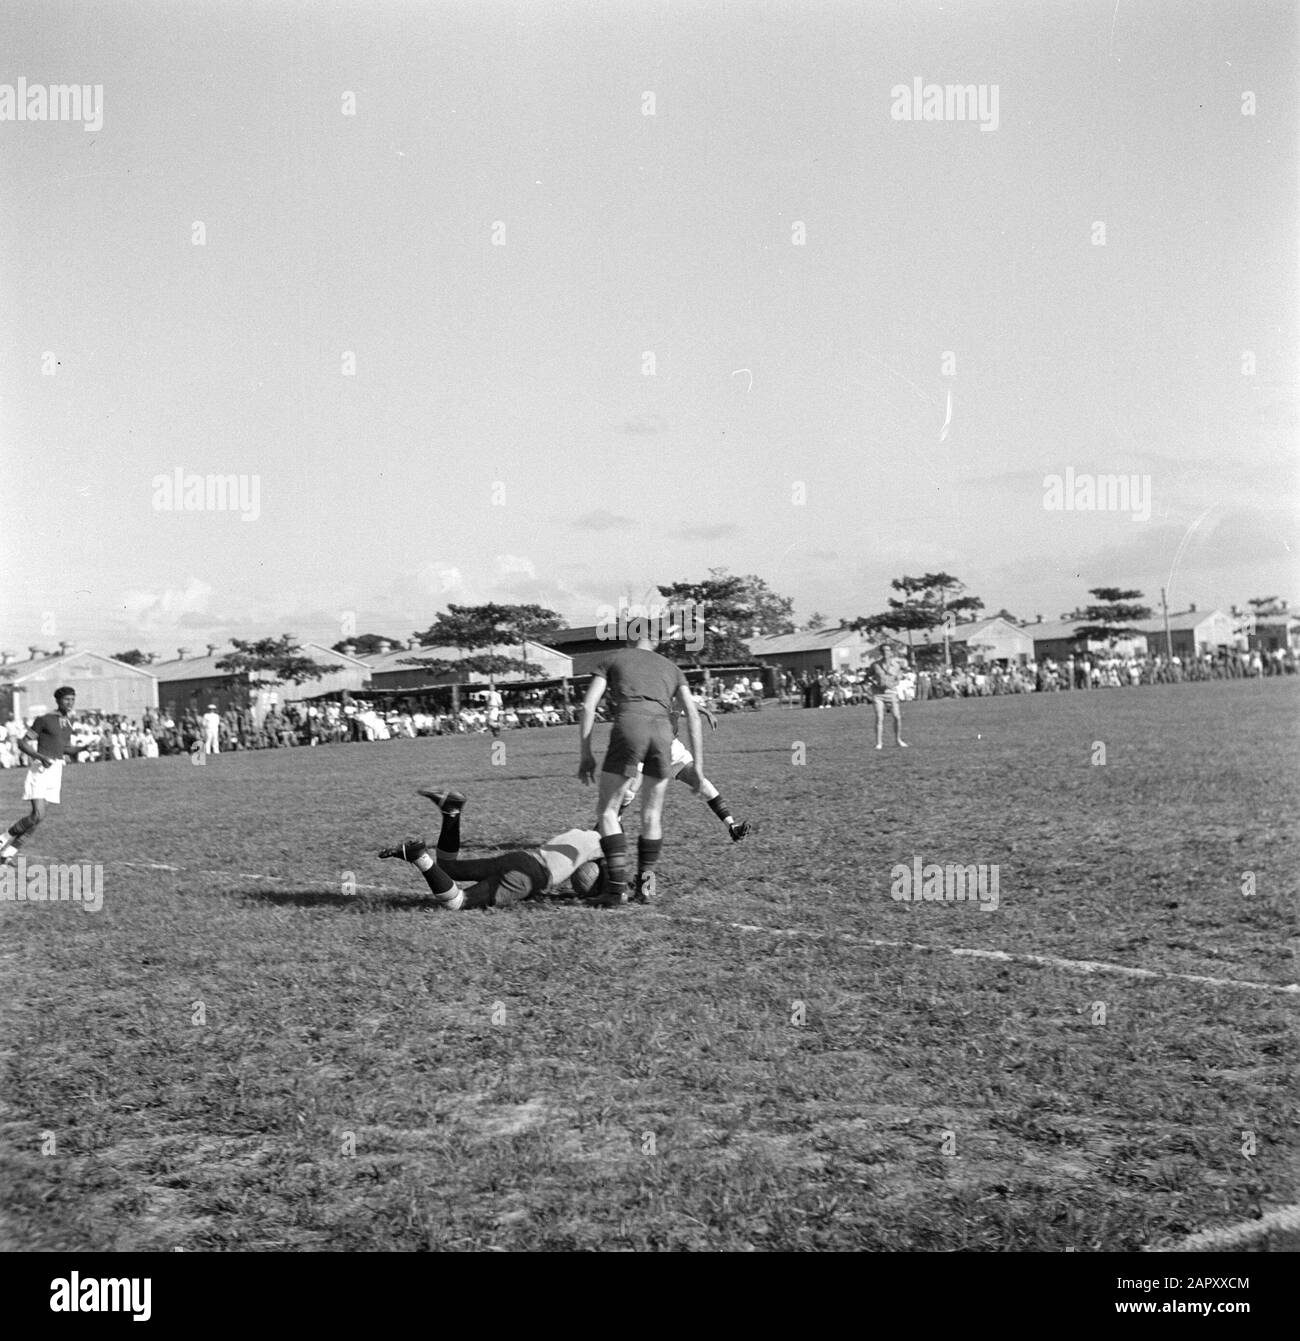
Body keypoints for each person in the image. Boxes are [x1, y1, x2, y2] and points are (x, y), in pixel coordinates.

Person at [578, 629, 704, 905]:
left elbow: (588, 707)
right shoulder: (671, 668)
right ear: (655, 641)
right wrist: (700, 768)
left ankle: (616, 890)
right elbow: (693, 716)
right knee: (652, 815)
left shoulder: (614, 658)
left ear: (628, 639)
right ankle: (646, 888)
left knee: (608, 811)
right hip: (662, 730)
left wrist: (586, 753)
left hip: (630, 723)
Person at [379, 788, 607, 909]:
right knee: (457, 902)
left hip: (523, 858)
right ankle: (419, 857)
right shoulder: (605, 845)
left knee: (446, 868)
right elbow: (613, 877)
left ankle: (451, 811)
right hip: (528, 878)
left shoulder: (581, 833)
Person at [617, 699, 753, 843]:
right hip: (646, 748)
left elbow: (687, 702)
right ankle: (613, 822)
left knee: (701, 783)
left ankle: (732, 827)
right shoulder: (646, 700)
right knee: (631, 788)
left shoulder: (672, 699)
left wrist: (707, 712)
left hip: (672, 750)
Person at [0, 687, 78, 865]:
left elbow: (63, 747)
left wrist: (83, 749)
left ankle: (8, 853)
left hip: (56, 769)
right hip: (41, 769)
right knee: (36, 815)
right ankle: (3, 840)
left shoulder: (68, 722)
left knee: (39, 817)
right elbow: (22, 742)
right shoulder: (45, 719)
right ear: (58, 701)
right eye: (66, 699)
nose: (70, 703)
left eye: (72, 699)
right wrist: (40, 757)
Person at [867, 646, 909, 749]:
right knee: (879, 717)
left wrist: (895, 682)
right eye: (883, 650)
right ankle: (879, 743)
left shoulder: (897, 665)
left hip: (891, 693)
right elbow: (867, 677)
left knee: (897, 717)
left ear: (891, 652)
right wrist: (875, 683)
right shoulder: (875, 665)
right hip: (878, 694)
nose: (885, 652)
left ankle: (898, 739)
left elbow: (900, 676)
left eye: (888, 650)